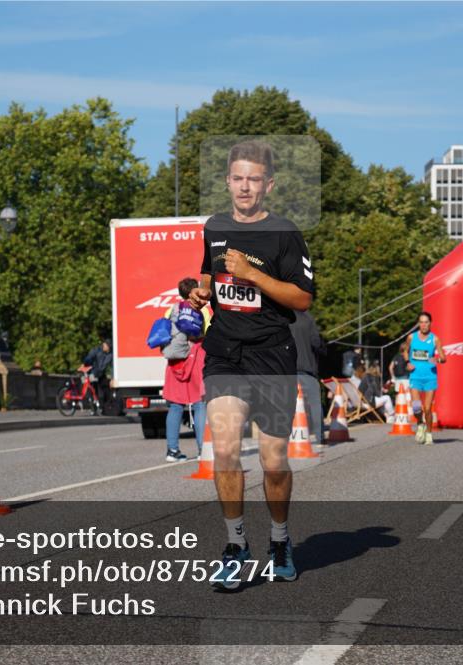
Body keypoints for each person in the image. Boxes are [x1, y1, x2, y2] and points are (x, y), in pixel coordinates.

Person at [188, 140, 314, 591]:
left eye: (254, 179)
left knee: (274, 459)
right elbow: (209, 272)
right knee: (223, 449)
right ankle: (235, 545)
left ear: (269, 185)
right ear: (227, 182)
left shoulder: (284, 232)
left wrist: (254, 276)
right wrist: (202, 291)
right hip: (225, 351)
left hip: (272, 353)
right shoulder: (215, 226)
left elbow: (302, 299)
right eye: (238, 178)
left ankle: (279, 539)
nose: (245, 187)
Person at [162, 277, 211, 462]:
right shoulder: (203, 310)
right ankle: (202, 450)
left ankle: (172, 451)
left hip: (175, 361)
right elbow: (207, 332)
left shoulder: (171, 309)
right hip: (196, 357)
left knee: (175, 405)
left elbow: (166, 332)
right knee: (199, 404)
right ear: (194, 291)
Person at [407, 312, 446, 446]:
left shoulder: (435, 339)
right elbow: (405, 351)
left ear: (431, 323)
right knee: (417, 407)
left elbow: (444, 357)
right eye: (421, 322)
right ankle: (420, 424)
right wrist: (408, 363)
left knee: (428, 408)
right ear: (419, 324)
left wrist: (437, 359)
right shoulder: (411, 337)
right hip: (415, 376)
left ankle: (429, 434)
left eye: (426, 322)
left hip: (430, 377)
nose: (424, 325)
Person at [289, 309, 325, 445]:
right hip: (307, 369)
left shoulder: (282, 316)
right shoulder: (308, 318)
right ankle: (319, 435)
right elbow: (316, 342)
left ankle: (290, 436)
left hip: (287, 370)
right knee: (315, 403)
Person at [81, 338, 113, 409]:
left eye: (108, 347)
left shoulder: (110, 355)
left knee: (106, 389)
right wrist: (84, 364)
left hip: (101, 374)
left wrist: (113, 377)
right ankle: (94, 408)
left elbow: (112, 366)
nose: (106, 347)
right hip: (93, 373)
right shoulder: (96, 350)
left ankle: (106, 406)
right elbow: (89, 358)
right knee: (93, 390)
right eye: (105, 345)